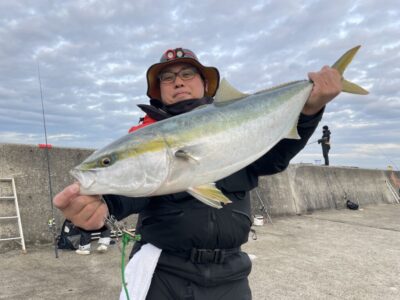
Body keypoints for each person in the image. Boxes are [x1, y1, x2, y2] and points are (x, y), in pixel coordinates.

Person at [53, 47, 342, 299]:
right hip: (163, 272)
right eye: (167, 77)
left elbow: (274, 160)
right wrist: (102, 207)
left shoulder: (238, 122)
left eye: (187, 74)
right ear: (159, 91)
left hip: (231, 273)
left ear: (206, 84)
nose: (177, 81)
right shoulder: (143, 135)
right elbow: (133, 186)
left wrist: (310, 112)